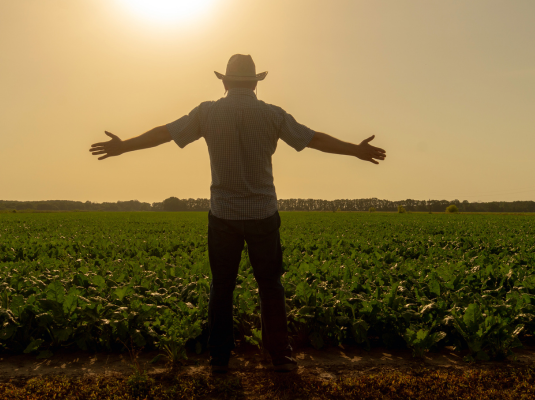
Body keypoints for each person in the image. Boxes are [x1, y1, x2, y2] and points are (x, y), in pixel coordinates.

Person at [89, 54, 386, 373]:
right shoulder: (273, 115)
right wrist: (355, 150)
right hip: (263, 213)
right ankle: (280, 354)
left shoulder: (207, 112)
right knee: (270, 285)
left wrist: (124, 146)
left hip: (223, 215)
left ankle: (219, 357)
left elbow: (165, 133)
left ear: (225, 82)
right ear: (256, 83)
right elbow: (314, 140)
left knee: (222, 285)